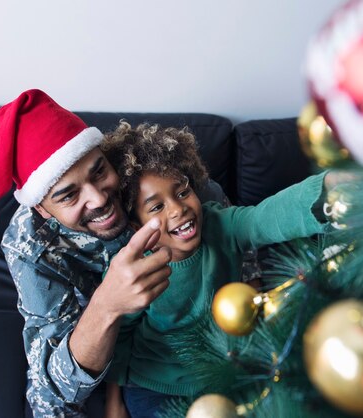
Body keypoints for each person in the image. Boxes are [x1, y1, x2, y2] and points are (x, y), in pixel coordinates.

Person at [0, 89, 175, 418]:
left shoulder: (145, 165)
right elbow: (52, 393)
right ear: (42, 210)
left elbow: (217, 210)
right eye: (68, 195)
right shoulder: (30, 246)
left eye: (99, 172)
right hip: (127, 355)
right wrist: (107, 305)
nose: (98, 199)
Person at [99, 121, 332, 417]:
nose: (178, 209)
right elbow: (118, 336)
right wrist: (113, 401)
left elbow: (265, 218)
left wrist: (330, 192)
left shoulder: (222, 225)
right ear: (136, 225)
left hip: (226, 374)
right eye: (156, 207)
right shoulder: (131, 271)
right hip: (157, 387)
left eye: (182, 192)